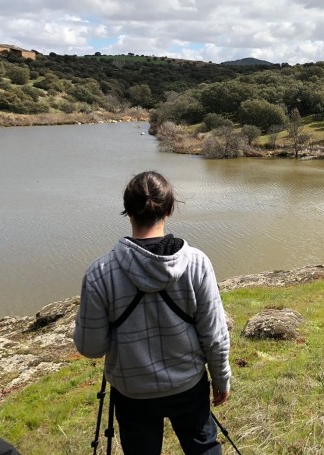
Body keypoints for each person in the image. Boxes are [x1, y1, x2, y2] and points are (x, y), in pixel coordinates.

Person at [74, 171, 231, 455]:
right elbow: (215, 336)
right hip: (188, 385)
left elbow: (91, 347)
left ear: (128, 212)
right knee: (204, 448)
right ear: (168, 210)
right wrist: (221, 380)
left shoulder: (100, 273)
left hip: (132, 392)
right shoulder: (197, 263)